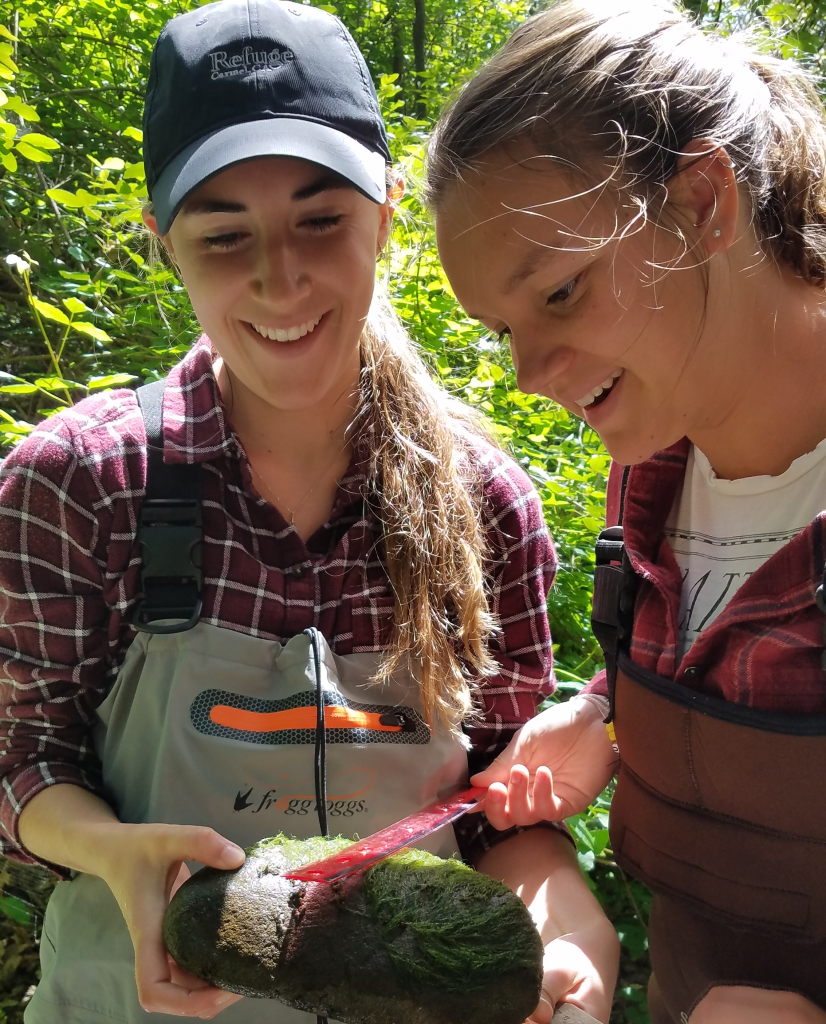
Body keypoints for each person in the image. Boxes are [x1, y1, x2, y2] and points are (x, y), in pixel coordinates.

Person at [0, 2, 620, 1023]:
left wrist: (565, 936)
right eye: (224, 234)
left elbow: (503, 818)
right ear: (165, 244)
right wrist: (114, 851)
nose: (277, 276)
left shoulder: (485, 502)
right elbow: (24, 763)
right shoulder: (81, 482)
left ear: (384, 213)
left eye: (320, 219)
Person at [427, 1, 826, 1022]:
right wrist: (606, 714)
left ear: (701, 199)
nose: (526, 375)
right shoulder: (652, 466)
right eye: (501, 331)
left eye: (557, 293)